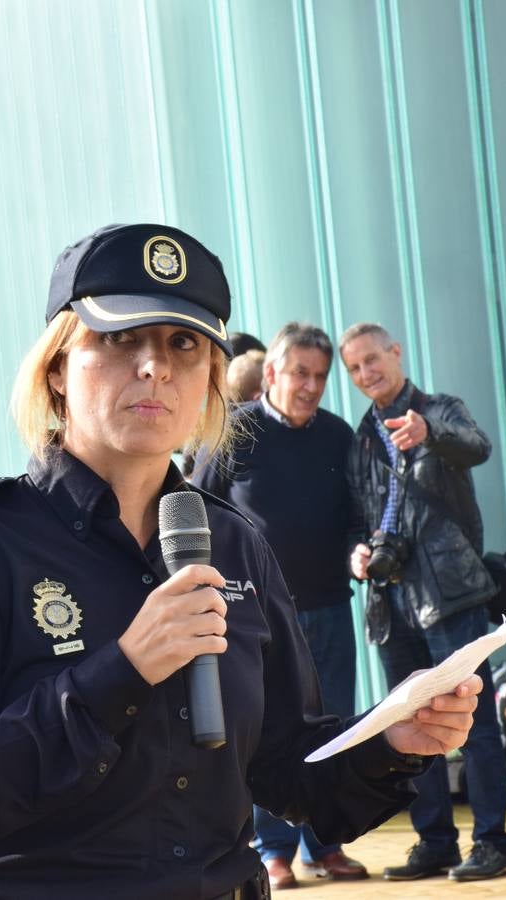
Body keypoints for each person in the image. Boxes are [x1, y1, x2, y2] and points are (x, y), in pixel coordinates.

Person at [0, 223, 484, 900]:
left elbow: (290, 772)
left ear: (209, 378)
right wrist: (118, 674)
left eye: (184, 345)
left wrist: (392, 740)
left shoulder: (234, 545)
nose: (156, 367)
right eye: (120, 339)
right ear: (57, 367)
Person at [192, 322, 365, 890]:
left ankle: (327, 847)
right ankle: (273, 852)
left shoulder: (339, 436)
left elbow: (359, 515)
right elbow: (195, 506)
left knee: (333, 726)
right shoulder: (234, 433)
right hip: (255, 616)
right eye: (300, 373)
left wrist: (360, 546)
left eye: (320, 376)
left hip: (330, 606)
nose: (311, 386)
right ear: (271, 374)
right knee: (264, 729)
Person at [341, 323, 506, 882]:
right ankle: (434, 840)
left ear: (396, 353)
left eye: (373, 359)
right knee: (407, 722)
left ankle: (491, 841)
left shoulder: (439, 409)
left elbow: (478, 447)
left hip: (451, 591)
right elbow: (355, 519)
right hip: (391, 599)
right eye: (355, 368)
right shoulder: (360, 438)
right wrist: (357, 553)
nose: (367, 373)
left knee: (475, 721)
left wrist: (428, 430)